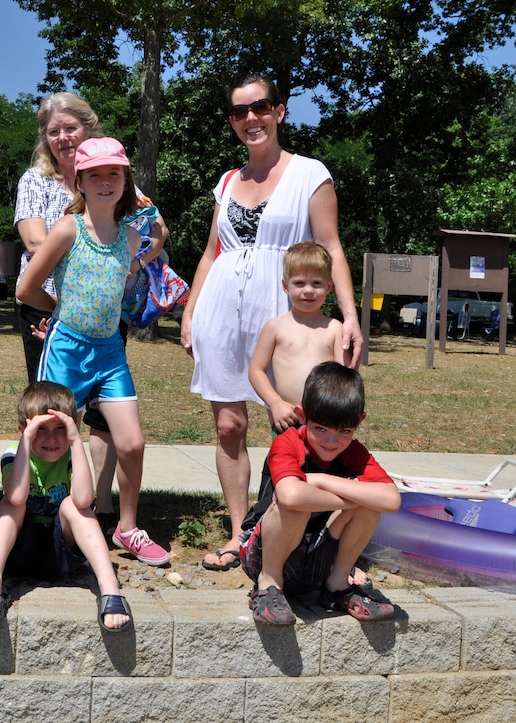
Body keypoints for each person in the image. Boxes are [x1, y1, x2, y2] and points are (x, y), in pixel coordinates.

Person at [180, 73, 364, 573]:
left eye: (258, 107)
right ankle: (243, 533)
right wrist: (191, 310)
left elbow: (332, 248)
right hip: (221, 309)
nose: (249, 119)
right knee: (228, 425)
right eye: (239, 112)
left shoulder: (310, 174)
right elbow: (211, 252)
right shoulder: (226, 182)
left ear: (279, 112)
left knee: (296, 427)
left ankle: (302, 537)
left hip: (281, 312)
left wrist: (350, 315)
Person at [13, 92, 168, 530]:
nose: (104, 182)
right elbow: (29, 279)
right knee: (54, 431)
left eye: (113, 176)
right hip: (63, 337)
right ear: (80, 182)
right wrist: (61, 308)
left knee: (128, 439)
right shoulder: (61, 214)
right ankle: (49, 518)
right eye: (53, 130)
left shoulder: (129, 231)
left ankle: (120, 523)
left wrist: (133, 265)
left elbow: (154, 235)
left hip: (108, 345)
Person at [243, 362, 401, 625]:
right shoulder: (287, 442)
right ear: (302, 416)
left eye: (345, 431)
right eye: (320, 429)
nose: (331, 442)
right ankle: (268, 586)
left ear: (360, 421)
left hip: (318, 558)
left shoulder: (354, 452)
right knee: (294, 506)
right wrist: (352, 496)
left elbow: (391, 499)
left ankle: (336, 588)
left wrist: (319, 480)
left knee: (370, 504)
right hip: (265, 555)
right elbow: (291, 496)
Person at [0, 381, 132, 631]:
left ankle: (110, 588)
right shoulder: (14, 453)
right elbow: (17, 496)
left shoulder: (70, 454)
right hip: (20, 552)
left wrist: (77, 442)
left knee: (74, 506)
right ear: (23, 429)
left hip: (60, 554)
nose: (52, 438)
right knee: (10, 505)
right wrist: (26, 441)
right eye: (41, 429)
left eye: (60, 428)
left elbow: (84, 499)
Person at [247, 242, 350, 437]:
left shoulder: (335, 328)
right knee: (286, 467)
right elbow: (256, 370)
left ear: (329, 286)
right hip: (289, 419)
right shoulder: (275, 327)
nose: (308, 290)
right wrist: (275, 403)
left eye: (317, 283)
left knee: (325, 469)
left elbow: (345, 376)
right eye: (300, 283)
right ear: (286, 285)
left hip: (327, 420)